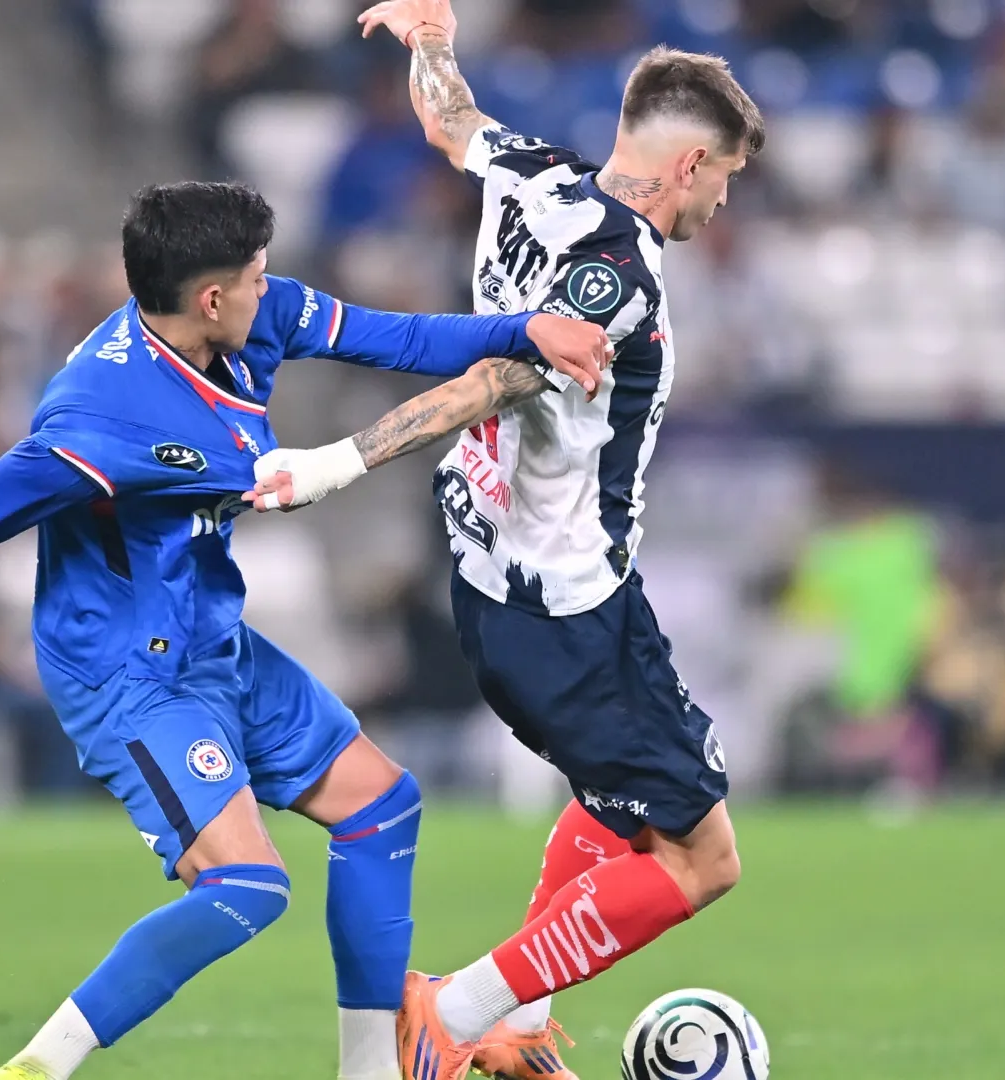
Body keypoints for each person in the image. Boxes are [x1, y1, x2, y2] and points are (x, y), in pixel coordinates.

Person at [0, 181, 611, 1080]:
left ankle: (374, 1070)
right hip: (125, 675)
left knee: (382, 807)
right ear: (210, 297)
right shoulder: (94, 421)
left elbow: (405, 339)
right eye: (256, 277)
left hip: (213, 636)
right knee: (248, 888)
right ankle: (36, 1068)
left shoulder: (257, 318)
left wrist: (528, 328)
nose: (274, 288)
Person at [251, 6, 763, 1079]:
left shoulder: (537, 175)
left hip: (504, 573)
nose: (723, 205)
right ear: (694, 162)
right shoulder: (615, 273)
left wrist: (431, 42)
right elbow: (496, 374)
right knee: (702, 860)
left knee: (616, 803)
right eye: (726, 181)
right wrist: (331, 463)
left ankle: (518, 1033)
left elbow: (453, 126)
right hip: (561, 608)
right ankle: (462, 1009)